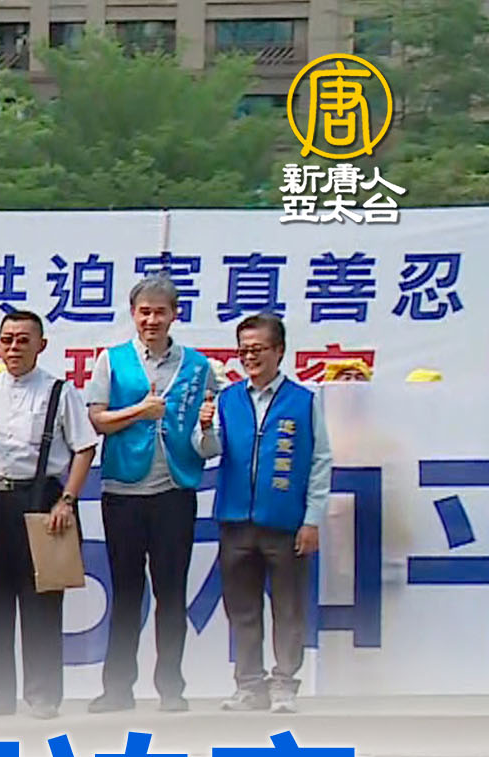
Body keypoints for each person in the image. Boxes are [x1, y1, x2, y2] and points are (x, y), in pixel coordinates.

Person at [85, 275, 218, 714]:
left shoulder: (198, 366)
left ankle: (171, 688)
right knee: (126, 593)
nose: (152, 320)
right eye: (144, 312)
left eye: (160, 312)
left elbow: (210, 427)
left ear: (175, 315)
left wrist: (206, 429)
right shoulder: (112, 360)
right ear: (133, 314)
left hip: (174, 491)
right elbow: (97, 420)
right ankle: (117, 689)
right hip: (123, 491)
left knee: (171, 594)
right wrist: (140, 411)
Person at [0, 311, 97, 721]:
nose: (14, 348)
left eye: (23, 340)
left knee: (42, 603)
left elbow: (85, 447)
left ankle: (43, 695)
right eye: (6, 340)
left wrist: (68, 500)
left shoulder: (60, 391)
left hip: (43, 499)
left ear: (41, 345)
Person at [198, 313, 332, 714]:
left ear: (279, 351)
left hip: (285, 523)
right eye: (244, 350)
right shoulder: (227, 399)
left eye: (258, 349)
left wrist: (312, 519)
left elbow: (320, 460)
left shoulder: (303, 400)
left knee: (288, 609)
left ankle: (285, 684)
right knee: (242, 609)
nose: (250, 357)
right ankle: (249, 685)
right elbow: (207, 450)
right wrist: (204, 428)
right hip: (236, 520)